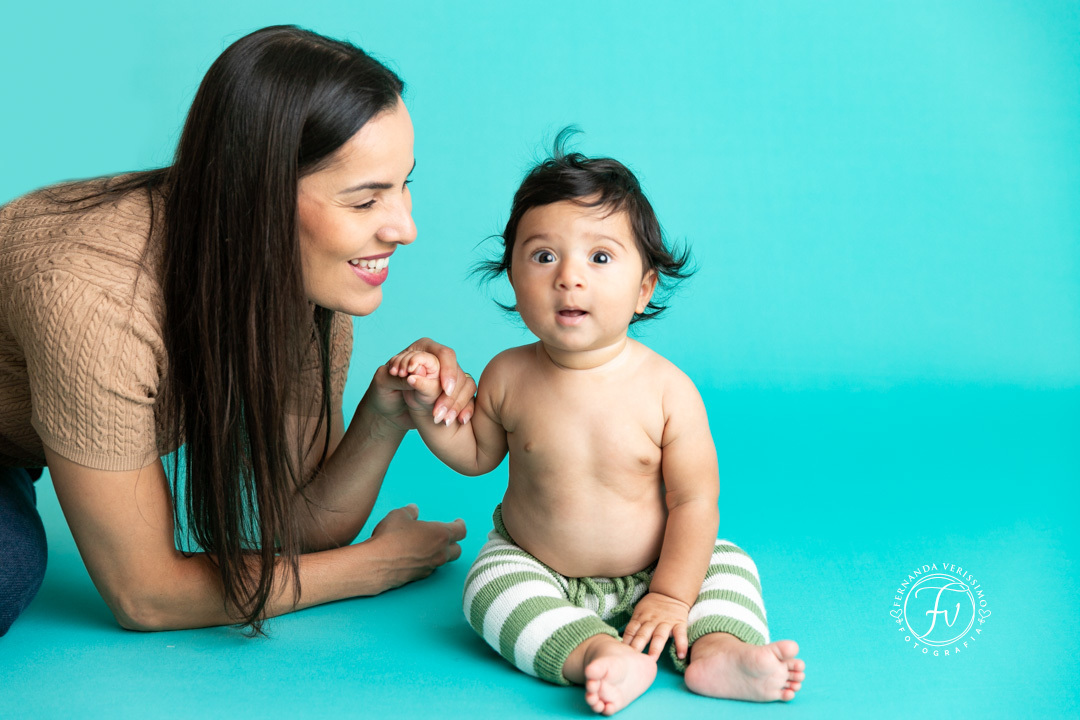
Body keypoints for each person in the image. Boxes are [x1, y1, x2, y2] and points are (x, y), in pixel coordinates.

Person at [0, 25, 474, 637]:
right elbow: (146, 597)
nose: (405, 228)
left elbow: (302, 525)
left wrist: (385, 415)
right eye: (364, 201)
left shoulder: (297, 280)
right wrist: (374, 567)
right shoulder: (98, 303)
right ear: (258, 198)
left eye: (404, 183)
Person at [387, 136, 806, 715]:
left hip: (658, 568)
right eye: (543, 257)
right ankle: (596, 654)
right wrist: (425, 405)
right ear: (512, 278)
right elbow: (475, 453)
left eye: (600, 258)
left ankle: (720, 652)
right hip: (539, 566)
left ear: (644, 288)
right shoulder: (508, 374)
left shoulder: (668, 390)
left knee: (727, 563)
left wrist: (670, 594)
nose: (569, 278)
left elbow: (694, 501)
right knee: (487, 584)